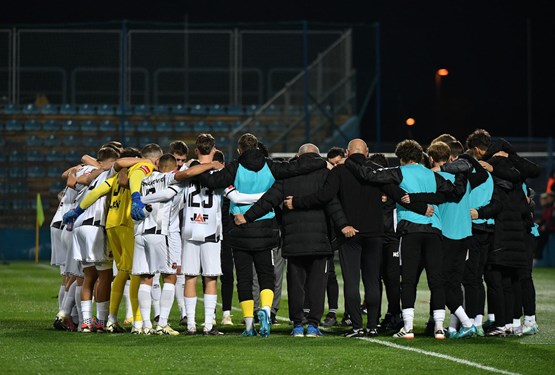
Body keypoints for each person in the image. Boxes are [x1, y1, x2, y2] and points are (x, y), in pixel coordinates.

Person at [285, 139, 434, 338]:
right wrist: (421, 207)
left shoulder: (339, 171)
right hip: (375, 233)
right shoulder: (376, 171)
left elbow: (324, 196)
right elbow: (397, 194)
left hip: (349, 233)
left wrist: (297, 202)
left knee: (352, 281)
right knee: (372, 280)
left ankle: (356, 326)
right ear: (367, 152)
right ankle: (372, 325)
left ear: (347, 152)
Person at [199, 133, 327, 337]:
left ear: (239, 150)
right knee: (267, 275)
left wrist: (201, 167)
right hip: (266, 228)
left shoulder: (234, 167)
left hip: (239, 227)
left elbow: (210, 182)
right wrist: (321, 163)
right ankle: (266, 310)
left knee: (244, 279)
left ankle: (249, 325)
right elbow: (298, 167)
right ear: (257, 147)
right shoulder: (272, 166)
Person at [344, 139, 467, 339]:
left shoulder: (398, 172)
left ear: (401, 158)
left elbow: (367, 175)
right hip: (434, 230)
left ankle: (408, 327)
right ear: (421, 157)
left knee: (408, 280)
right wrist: (426, 197)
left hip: (410, 230)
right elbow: (455, 194)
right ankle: (438, 327)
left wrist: (349, 161)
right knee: (436, 281)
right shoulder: (432, 175)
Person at [236, 143, 345, 337]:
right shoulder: (325, 175)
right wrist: (343, 226)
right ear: (318, 156)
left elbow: (268, 200)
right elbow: (333, 204)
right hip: (319, 241)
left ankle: (296, 325)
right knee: (317, 285)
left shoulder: (288, 175)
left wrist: (247, 217)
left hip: (293, 242)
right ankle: (312, 326)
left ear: (298, 156)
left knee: (296, 284)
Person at [63, 145, 161, 333]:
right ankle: (137, 322)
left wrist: (78, 210)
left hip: (111, 224)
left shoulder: (116, 176)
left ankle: (111, 319)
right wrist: (136, 197)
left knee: (123, 271)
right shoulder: (142, 167)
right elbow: (137, 177)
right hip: (126, 223)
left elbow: (97, 192)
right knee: (137, 272)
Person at [178, 134, 226, 336]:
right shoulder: (222, 170)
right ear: (214, 149)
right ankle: (207, 324)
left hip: (190, 227)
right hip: (211, 229)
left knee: (190, 277)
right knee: (210, 278)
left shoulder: (186, 169)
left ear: (196, 150)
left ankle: (190, 324)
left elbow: (180, 177)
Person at [131, 153, 184, 335]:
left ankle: (145, 325)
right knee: (170, 276)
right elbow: (168, 194)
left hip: (140, 233)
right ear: (173, 168)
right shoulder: (172, 180)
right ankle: (162, 324)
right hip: (160, 232)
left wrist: (139, 200)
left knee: (146, 278)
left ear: (158, 165)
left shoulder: (144, 180)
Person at [71, 147, 119, 332]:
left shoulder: (93, 174)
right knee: (105, 275)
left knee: (88, 276)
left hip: (79, 225)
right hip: (94, 226)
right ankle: (101, 319)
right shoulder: (110, 172)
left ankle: (85, 322)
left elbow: (78, 180)